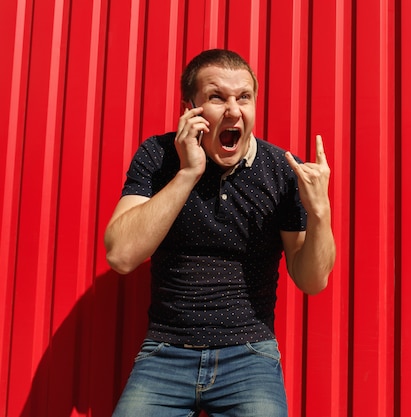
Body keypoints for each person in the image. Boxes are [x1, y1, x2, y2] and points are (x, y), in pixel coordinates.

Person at [104, 48, 335, 416]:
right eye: (216, 97)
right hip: (166, 351)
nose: (233, 110)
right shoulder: (159, 157)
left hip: (249, 356)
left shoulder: (281, 171)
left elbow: (312, 280)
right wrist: (187, 174)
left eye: (244, 97)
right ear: (189, 109)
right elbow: (120, 256)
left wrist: (319, 211)